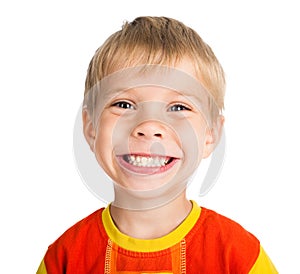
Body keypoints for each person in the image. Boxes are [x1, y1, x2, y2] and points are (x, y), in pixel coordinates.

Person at [37, 16, 278, 273]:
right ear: (90, 127)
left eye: (178, 107)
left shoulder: (240, 256)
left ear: (210, 134)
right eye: (124, 104)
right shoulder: (63, 258)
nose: (149, 126)